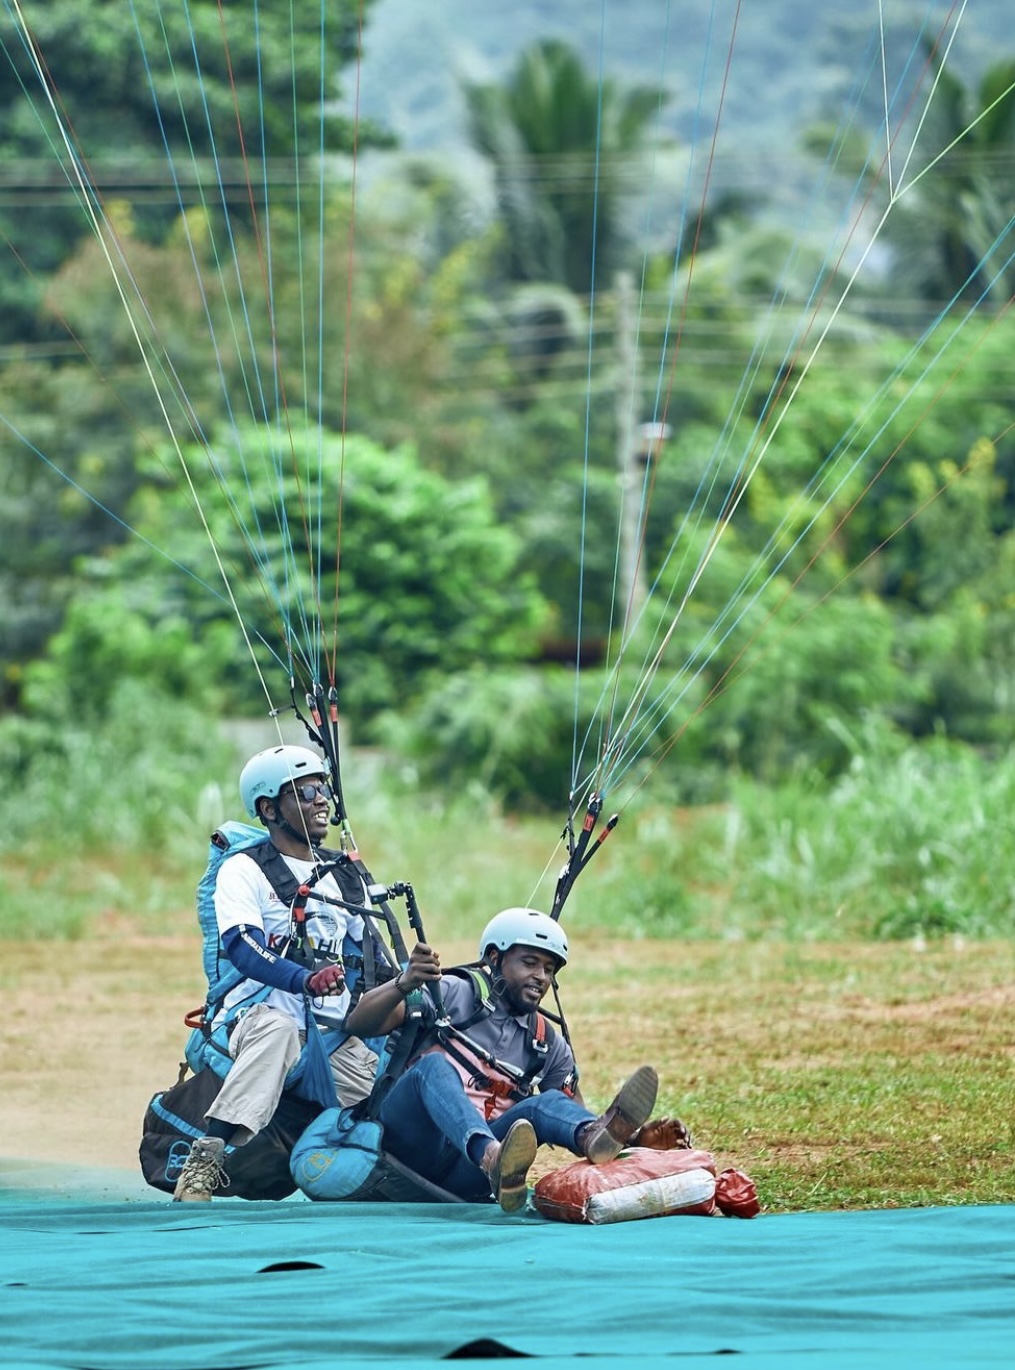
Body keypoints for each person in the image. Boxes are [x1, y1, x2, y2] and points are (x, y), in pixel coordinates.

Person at [343, 906, 688, 1213]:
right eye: (530, 962)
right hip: (406, 1149)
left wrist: (631, 1142)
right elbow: (359, 1023)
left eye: (549, 969)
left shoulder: (545, 1043)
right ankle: (491, 1156)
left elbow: (564, 1114)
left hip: (465, 1176)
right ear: (494, 958)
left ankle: (503, 1160)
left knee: (545, 1104)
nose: (541, 976)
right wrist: (405, 982)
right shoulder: (452, 991)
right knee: (432, 1066)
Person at [173, 744, 385, 1202]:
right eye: (306, 792)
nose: (321, 800)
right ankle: (204, 1162)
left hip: (332, 1035)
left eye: (323, 790)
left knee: (389, 1090)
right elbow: (243, 948)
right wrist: (303, 979)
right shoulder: (244, 870)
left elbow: (375, 957)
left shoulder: (346, 876)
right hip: (253, 1019)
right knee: (278, 1028)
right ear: (269, 808)